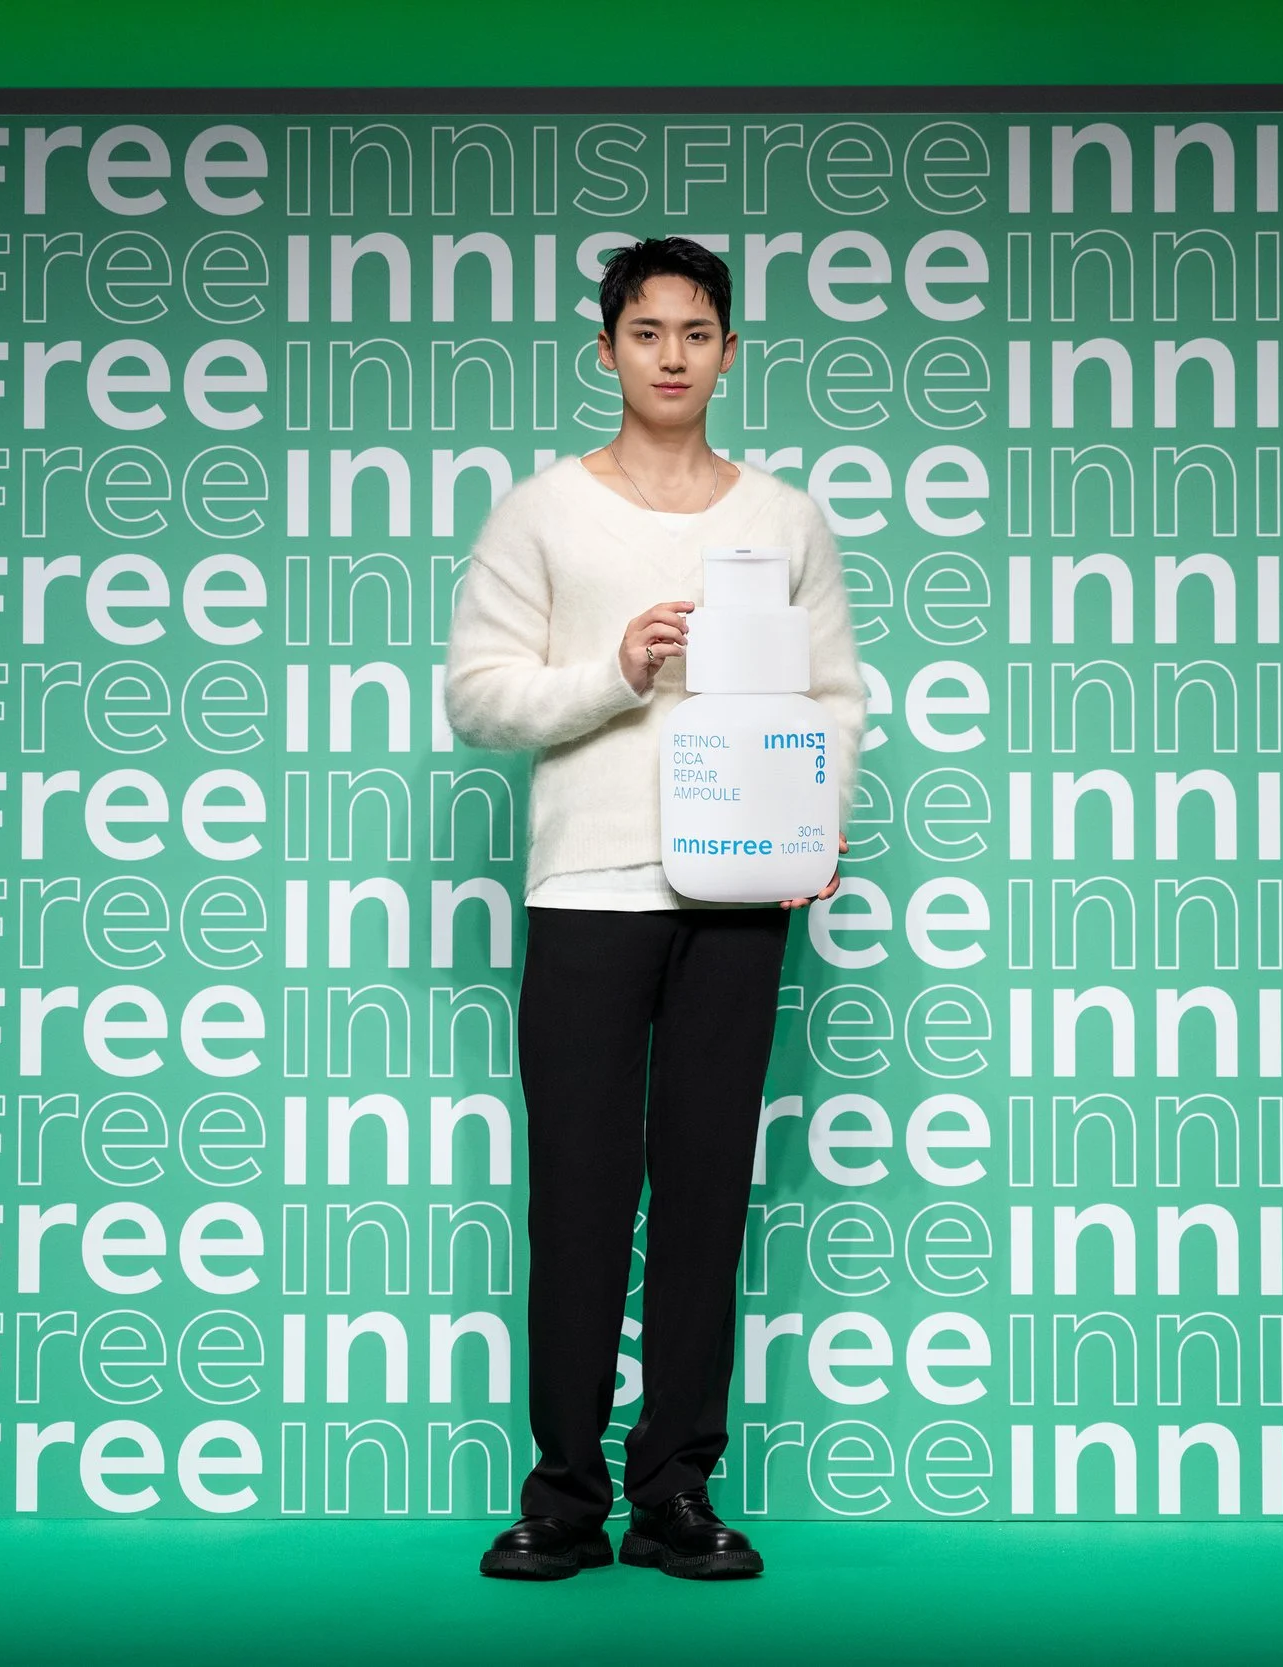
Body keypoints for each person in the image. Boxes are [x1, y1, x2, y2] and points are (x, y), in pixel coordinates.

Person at [443, 236, 867, 1580]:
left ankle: (674, 1489)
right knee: (578, 1192)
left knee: (703, 1195)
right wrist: (616, 671)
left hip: (742, 887)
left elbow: (838, 694)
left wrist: (819, 815)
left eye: (696, 332)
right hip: (589, 888)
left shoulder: (785, 517)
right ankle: (563, 1494)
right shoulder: (543, 511)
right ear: (607, 348)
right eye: (646, 331)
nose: (672, 354)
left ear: (730, 353)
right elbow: (476, 695)